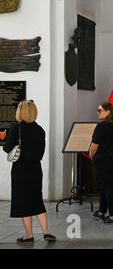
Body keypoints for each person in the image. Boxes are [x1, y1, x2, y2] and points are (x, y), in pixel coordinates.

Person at [1, 100, 56, 243]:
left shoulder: (15, 129)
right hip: (35, 169)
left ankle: (29, 235)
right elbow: (40, 153)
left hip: (20, 170)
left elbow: (7, 149)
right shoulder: (40, 130)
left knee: (23, 201)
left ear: (20, 112)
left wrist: (4, 138)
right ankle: (46, 232)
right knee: (37, 199)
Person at [89, 102, 113, 224]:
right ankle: (102, 212)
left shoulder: (102, 126)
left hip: (104, 161)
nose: (97, 112)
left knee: (109, 188)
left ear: (108, 112)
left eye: (100, 110)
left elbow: (94, 146)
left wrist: (91, 155)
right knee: (105, 186)